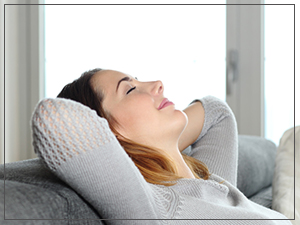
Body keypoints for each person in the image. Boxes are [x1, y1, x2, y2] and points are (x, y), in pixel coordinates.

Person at [31, 68, 291, 224]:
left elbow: (216, 113)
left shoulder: (209, 181)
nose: (157, 84)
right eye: (130, 90)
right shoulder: (154, 209)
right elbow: (52, 118)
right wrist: (127, 149)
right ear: (106, 135)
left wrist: (156, 148)